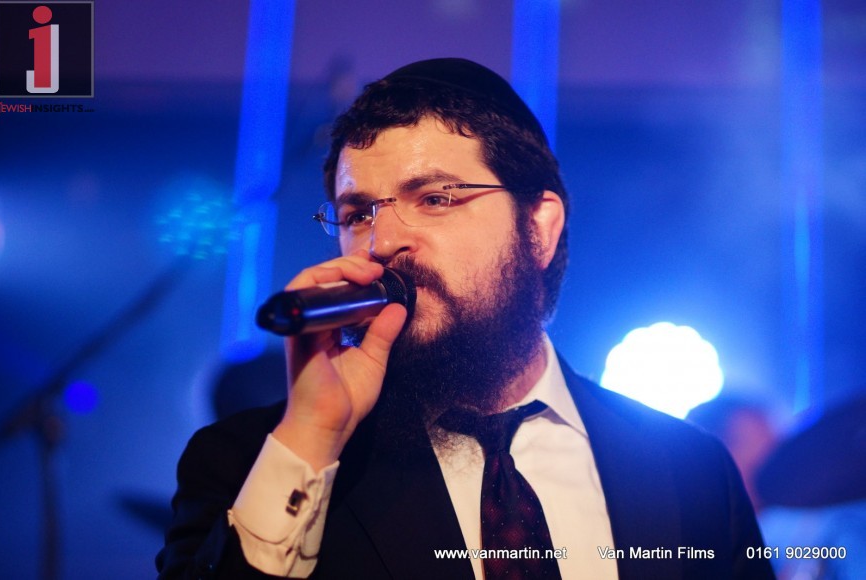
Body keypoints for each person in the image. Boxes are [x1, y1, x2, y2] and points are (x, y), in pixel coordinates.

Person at [156, 58, 774, 579]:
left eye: (435, 198)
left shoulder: (689, 469)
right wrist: (313, 436)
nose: (383, 241)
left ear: (539, 228)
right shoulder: (254, 463)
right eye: (358, 213)